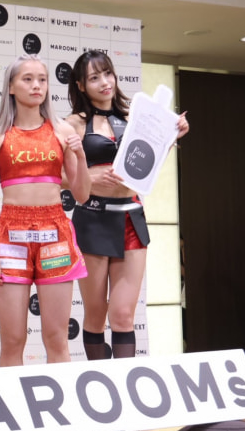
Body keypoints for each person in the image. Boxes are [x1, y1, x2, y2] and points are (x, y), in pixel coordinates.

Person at [65, 50, 189, 362]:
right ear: (81, 85)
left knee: (122, 315)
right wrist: (90, 177)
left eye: (107, 73)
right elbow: (57, 176)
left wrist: (171, 136)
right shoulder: (73, 124)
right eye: (94, 78)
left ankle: (123, 384)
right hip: (92, 220)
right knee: (95, 316)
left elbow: (148, 161)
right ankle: (98, 381)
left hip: (131, 218)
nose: (105, 82)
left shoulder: (135, 115)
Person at [0, 54, 91, 372]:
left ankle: (63, 406)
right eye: (27, 79)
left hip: (55, 234)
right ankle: (10, 406)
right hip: (10, 237)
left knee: (57, 339)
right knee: (12, 341)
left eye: (42, 79)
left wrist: (81, 156)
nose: (36, 85)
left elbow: (81, 194)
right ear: (11, 86)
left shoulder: (62, 130)